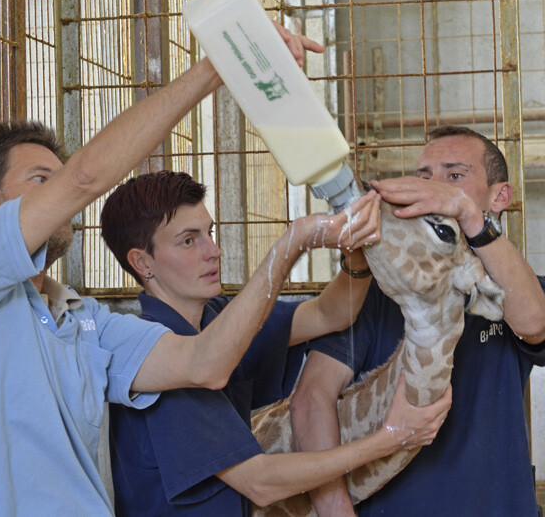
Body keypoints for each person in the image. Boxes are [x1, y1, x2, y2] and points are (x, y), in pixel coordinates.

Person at [0, 26, 338, 516]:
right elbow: (86, 177)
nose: (60, 199)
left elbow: (205, 365)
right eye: (41, 182)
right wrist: (219, 66)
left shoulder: (81, 318)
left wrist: (293, 243)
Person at [99, 170, 451, 515]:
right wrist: (390, 439)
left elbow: (327, 315)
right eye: (189, 241)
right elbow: (261, 484)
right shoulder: (160, 357)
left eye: (209, 233)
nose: (215, 251)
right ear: (142, 263)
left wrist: (355, 261)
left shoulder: (219, 318)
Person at [291, 125, 545, 516]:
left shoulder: (521, 288)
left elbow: (533, 323)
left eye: (454, 176)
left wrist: (464, 211)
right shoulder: (375, 290)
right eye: (423, 177)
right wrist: (334, 507)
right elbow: (312, 397)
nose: (435, 189)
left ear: (500, 197)